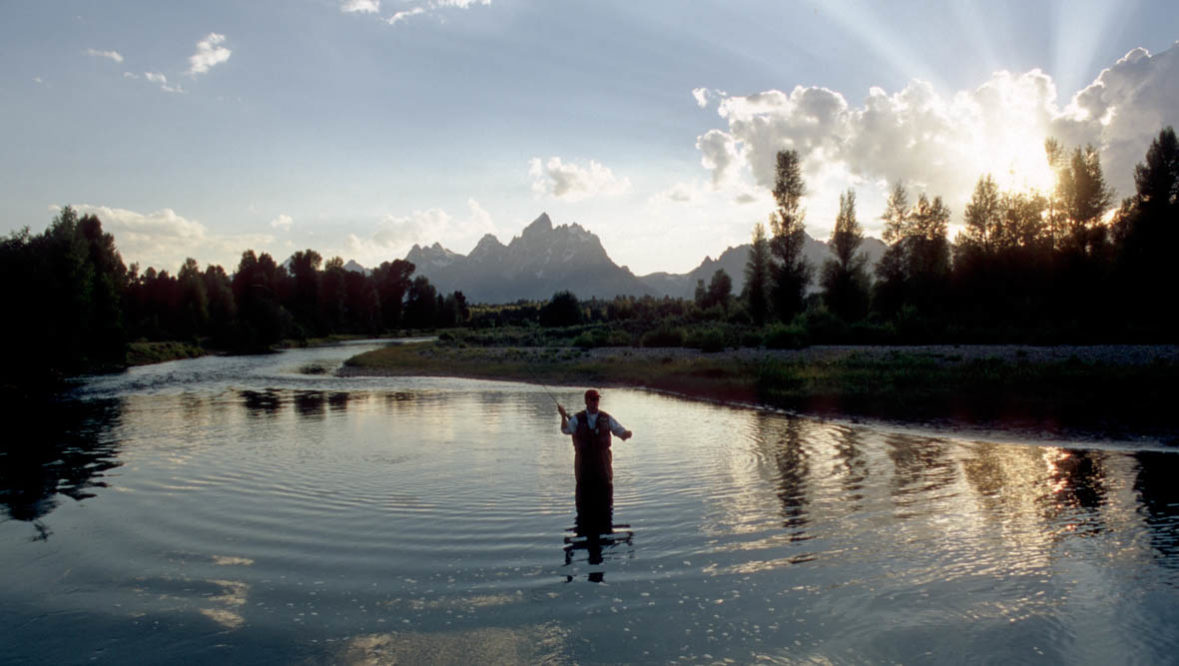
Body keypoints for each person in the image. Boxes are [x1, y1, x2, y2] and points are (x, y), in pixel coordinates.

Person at [558, 389, 633, 486]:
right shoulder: (577, 418)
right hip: (583, 463)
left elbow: (619, 430)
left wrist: (626, 433)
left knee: (606, 489)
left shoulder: (606, 418)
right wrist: (563, 416)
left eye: (597, 399)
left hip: (603, 462)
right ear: (586, 401)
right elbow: (565, 430)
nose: (595, 402)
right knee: (583, 491)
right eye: (593, 399)